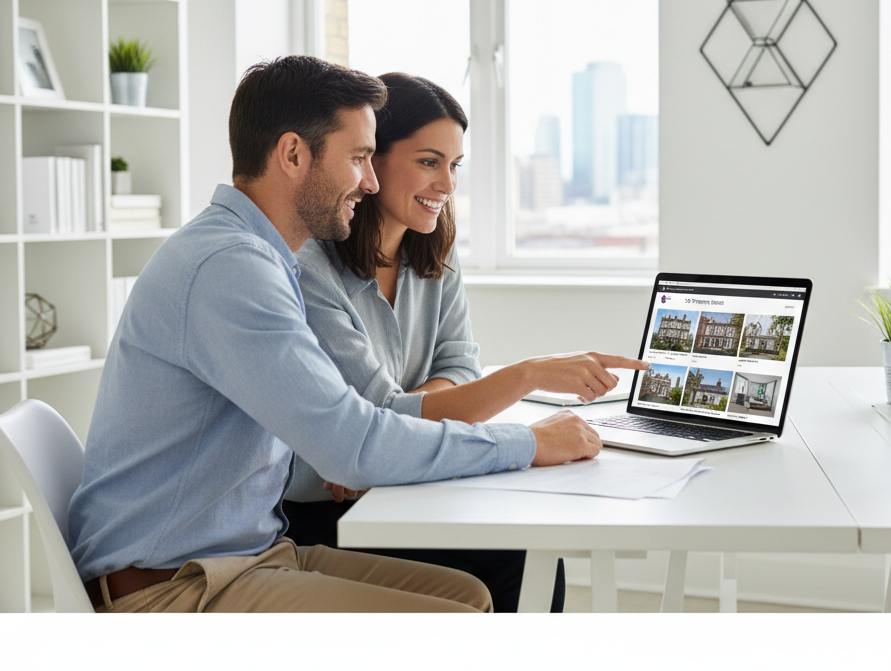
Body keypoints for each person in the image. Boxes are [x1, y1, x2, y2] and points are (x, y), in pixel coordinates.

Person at [66, 56, 605, 613]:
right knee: (458, 617)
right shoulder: (231, 268)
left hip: (251, 555)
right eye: (358, 158)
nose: (369, 181)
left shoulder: (261, 257)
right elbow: (354, 445)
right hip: (175, 586)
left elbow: (349, 432)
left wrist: (358, 445)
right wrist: (528, 443)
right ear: (293, 154)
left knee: (471, 593)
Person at [284, 71, 648, 611]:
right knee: (513, 563)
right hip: (323, 508)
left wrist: (406, 419)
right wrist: (528, 375)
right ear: (372, 160)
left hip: (403, 477)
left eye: (454, 166)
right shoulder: (311, 270)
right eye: (429, 162)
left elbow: (456, 365)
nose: (447, 186)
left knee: (531, 552)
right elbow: (375, 421)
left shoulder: (433, 250)